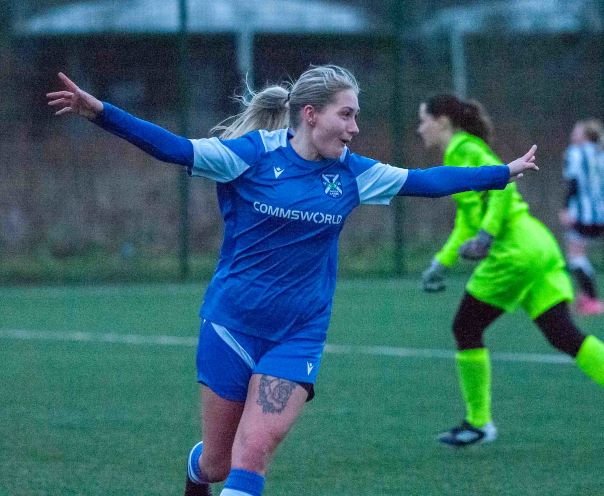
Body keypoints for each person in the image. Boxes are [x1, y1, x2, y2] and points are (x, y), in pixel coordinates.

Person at [48, 67, 538, 496]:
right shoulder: (251, 154)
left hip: (298, 332)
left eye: (356, 116)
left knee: (255, 450)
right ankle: (196, 477)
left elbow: (425, 182)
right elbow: (173, 148)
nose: (355, 128)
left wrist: (502, 173)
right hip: (231, 325)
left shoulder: (354, 174)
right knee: (217, 463)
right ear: (310, 114)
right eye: (346, 115)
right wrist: (101, 112)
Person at [417, 94, 604, 448]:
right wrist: (442, 262)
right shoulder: (463, 149)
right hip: (539, 246)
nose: (419, 128)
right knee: (564, 336)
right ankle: (478, 423)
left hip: (513, 252)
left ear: (442, 121)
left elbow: (503, 186)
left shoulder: (460, 148)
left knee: (465, 326)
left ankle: (478, 423)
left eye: (423, 119)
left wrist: (487, 235)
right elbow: (466, 220)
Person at [559, 118, 604, 315]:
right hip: (600, 213)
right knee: (580, 254)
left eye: (576, 131)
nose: (572, 134)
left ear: (584, 135)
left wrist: (566, 208)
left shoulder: (575, 153)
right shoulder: (600, 153)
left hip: (582, 215)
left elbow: (574, 183)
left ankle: (592, 299)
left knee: (575, 256)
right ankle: (587, 297)